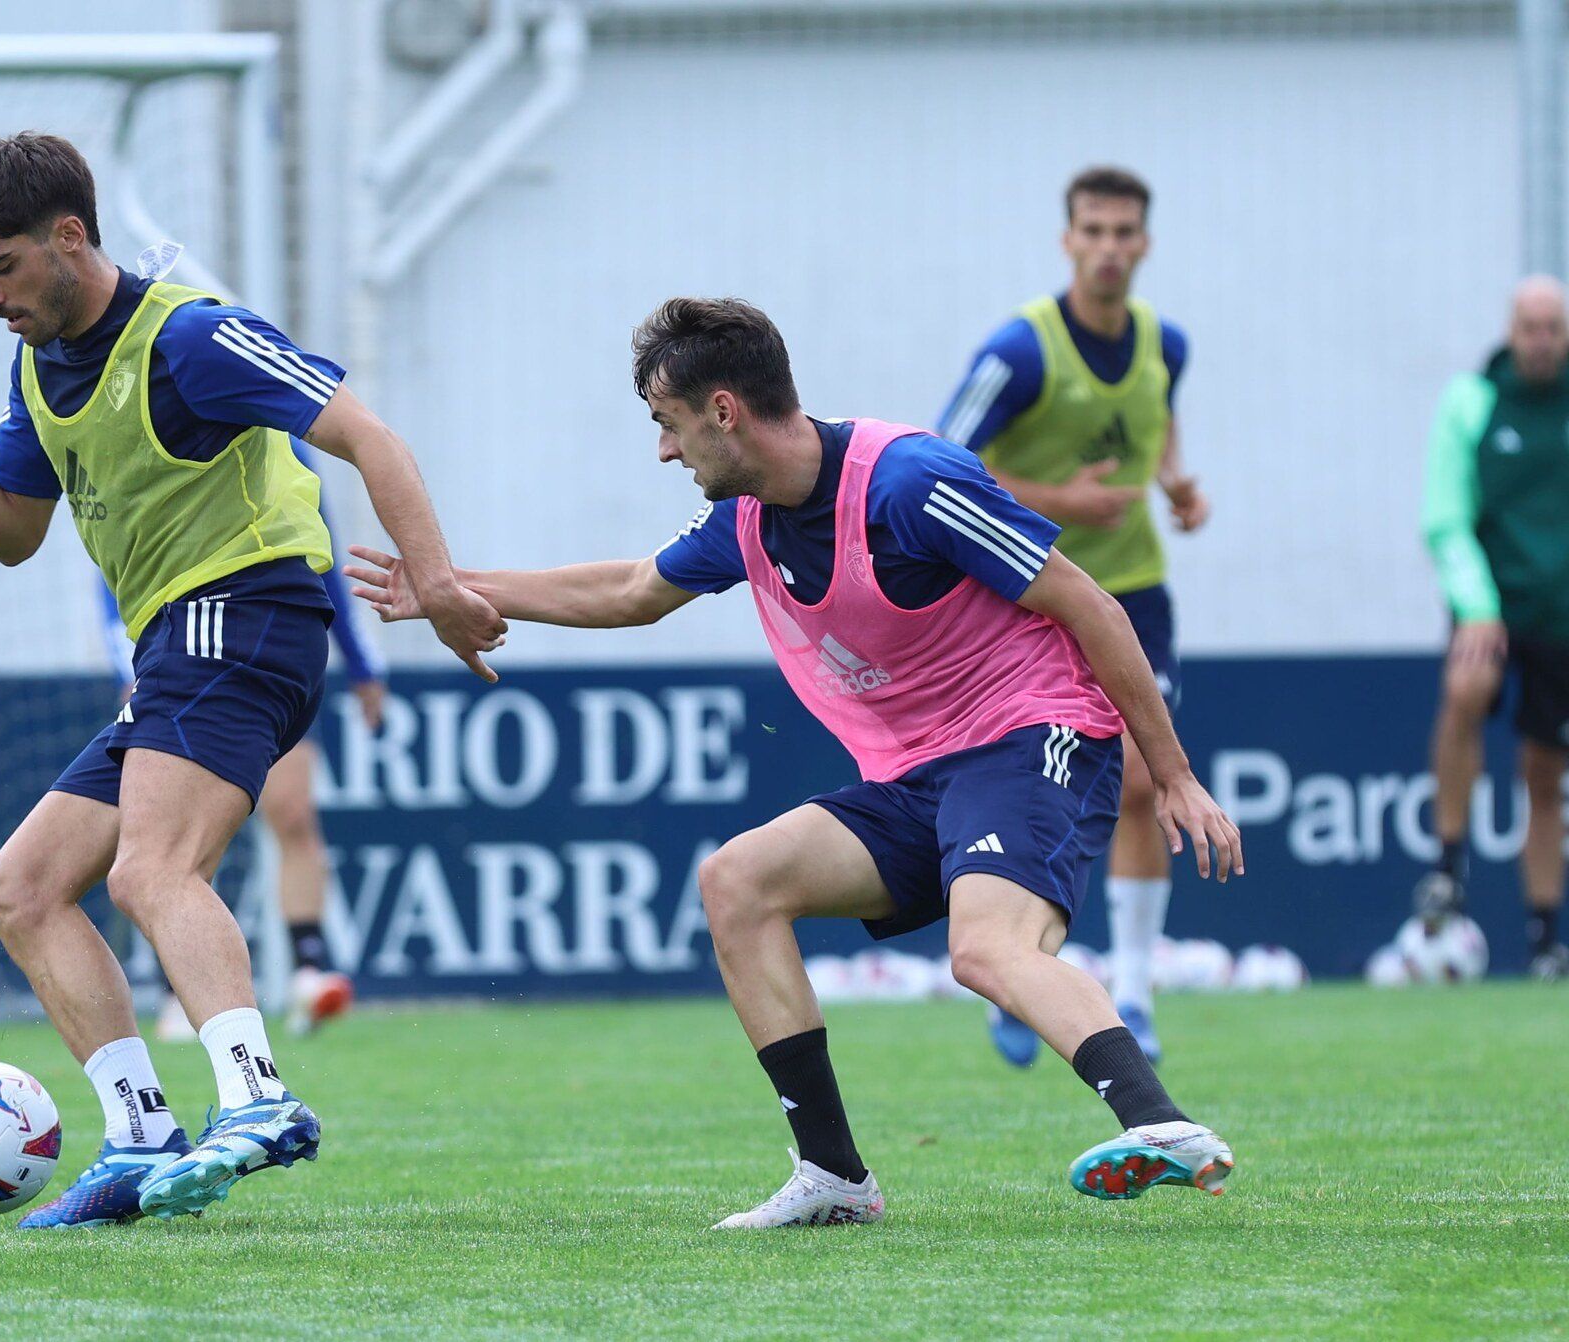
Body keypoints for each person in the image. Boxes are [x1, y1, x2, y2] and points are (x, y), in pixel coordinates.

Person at [348, 297, 1242, 1227]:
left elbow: (1090, 603)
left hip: (1030, 735)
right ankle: (834, 1180)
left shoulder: (909, 482)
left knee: (986, 949)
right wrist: (449, 589)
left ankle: (1162, 1125)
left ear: (725, 411)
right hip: (915, 776)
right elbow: (628, 591)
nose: (664, 452)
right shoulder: (747, 518)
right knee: (737, 883)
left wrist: (1172, 773)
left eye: (669, 425)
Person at [0, 132, 501, 1228]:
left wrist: (433, 585)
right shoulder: (37, 366)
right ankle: (142, 1131)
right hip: (173, 647)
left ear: (70, 237)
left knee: (152, 869)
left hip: (245, 612)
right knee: (23, 888)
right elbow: (11, 531)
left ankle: (257, 1097)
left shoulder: (191, 339)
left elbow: (370, 437)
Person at [938, 165, 1202, 1066]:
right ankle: (1020, 968)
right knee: (1038, 795)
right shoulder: (1019, 352)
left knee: (1137, 782)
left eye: (1125, 233)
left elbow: (1158, 419)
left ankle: (1133, 986)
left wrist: (1173, 481)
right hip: (1027, 600)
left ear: (1145, 244)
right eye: (1093, 231)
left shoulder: (1166, 343)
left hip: (1134, 594)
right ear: (1067, 241)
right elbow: (939, 465)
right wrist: (1060, 499)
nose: (1109, 249)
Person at [96, 442, 388, 1041]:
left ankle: (310, 969)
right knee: (185, 841)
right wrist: (126, 667)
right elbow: (112, 559)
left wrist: (361, 666)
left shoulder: (286, 441)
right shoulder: (148, 428)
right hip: (183, 658)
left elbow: (321, 553)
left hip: (270, 656)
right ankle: (180, 991)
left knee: (294, 815)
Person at [1418, 275, 1569, 978]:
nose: (1541, 340)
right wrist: (1477, 604)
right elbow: (1446, 514)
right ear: (1512, 330)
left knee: (1544, 770)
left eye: (1553, 327)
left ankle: (1543, 937)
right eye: (1530, 327)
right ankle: (1449, 863)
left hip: (1560, 616)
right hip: (1493, 604)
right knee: (1467, 687)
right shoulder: (1473, 401)